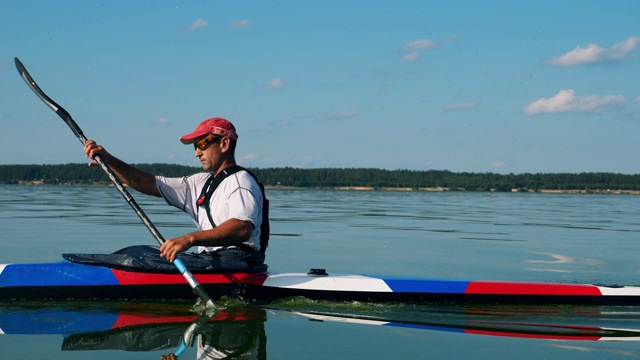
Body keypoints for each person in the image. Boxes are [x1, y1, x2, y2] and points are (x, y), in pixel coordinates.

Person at [83, 117, 266, 271]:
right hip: (212, 261)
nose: (197, 152)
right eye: (195, 146)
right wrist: (109, 160)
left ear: (224, 144)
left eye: (202, 144)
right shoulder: (200, 183)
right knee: (137, 252)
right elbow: (147, 182)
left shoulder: (240, 181)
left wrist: (190, 239)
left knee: (140, 259)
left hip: (238, 263)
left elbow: (241, 228)